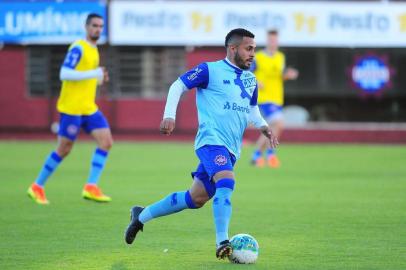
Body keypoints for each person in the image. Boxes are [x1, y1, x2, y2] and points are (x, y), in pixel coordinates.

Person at [124, 28, 278, 259]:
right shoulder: (209, 70)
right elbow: (178, 85)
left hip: (231, 148)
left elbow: (252, 109)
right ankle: (222, 242)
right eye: (249, 49)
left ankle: (141, 215)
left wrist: (263, 126)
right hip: (210, 141)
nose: (253, 54)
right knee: (226, 182)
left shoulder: (250, 79)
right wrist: (169, 115)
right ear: (233, 48)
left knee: (195, 198)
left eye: (254, 49)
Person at [27, 13, 112, 204]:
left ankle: (91, 186)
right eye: (94, 26)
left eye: (100, 26)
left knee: (106, 141)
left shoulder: (94, 49)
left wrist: (98, 79)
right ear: (86, 27)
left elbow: (83, 78)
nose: (98, 29)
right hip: (71, 108)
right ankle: (37, 186)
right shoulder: (78, 48)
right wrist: (94, 73)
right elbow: (64, 73)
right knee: (64, 149)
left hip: (88, 108)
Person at [250, 30, 298, 168]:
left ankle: (257, 154)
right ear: (267, 41)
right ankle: (270, 154)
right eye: (271, 40)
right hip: (263, 98)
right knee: (279, 123)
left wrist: (288, 75)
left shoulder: (280, 57)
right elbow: (246, 72)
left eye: (275, 40)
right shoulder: (258, 57)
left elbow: (280, 76)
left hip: (277, 97)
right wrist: (256, 81)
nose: (273, 43)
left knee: (271, 127)